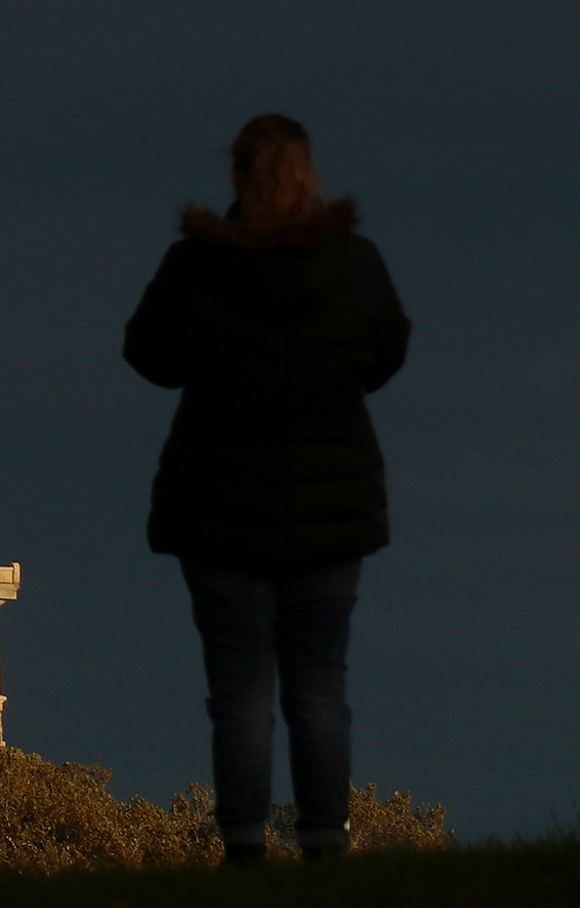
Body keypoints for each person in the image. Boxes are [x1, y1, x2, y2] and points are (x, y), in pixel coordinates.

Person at [123, 114, 410, 863]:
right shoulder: (355, 262)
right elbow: (387, 353)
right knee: (320, 689)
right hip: (330, 504)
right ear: (308, 174)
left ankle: (245, 846)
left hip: (219, 503)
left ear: (237, 179)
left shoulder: (196, 265)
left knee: (239, 692)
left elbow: (147, 352)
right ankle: (324, 844)